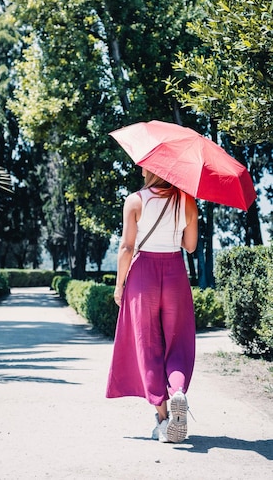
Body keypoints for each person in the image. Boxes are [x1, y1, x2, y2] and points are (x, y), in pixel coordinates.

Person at [106, 168, 198, 443]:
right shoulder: (187, 200)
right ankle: (178, 390)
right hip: (174, 272)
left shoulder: (135, 200)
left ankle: (163, 419)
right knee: (176, 342)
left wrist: (119, 285)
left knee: (149, 346)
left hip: (143, 274)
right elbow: (190, 245)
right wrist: (174, 230)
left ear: (149, 168)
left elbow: (126, 247)